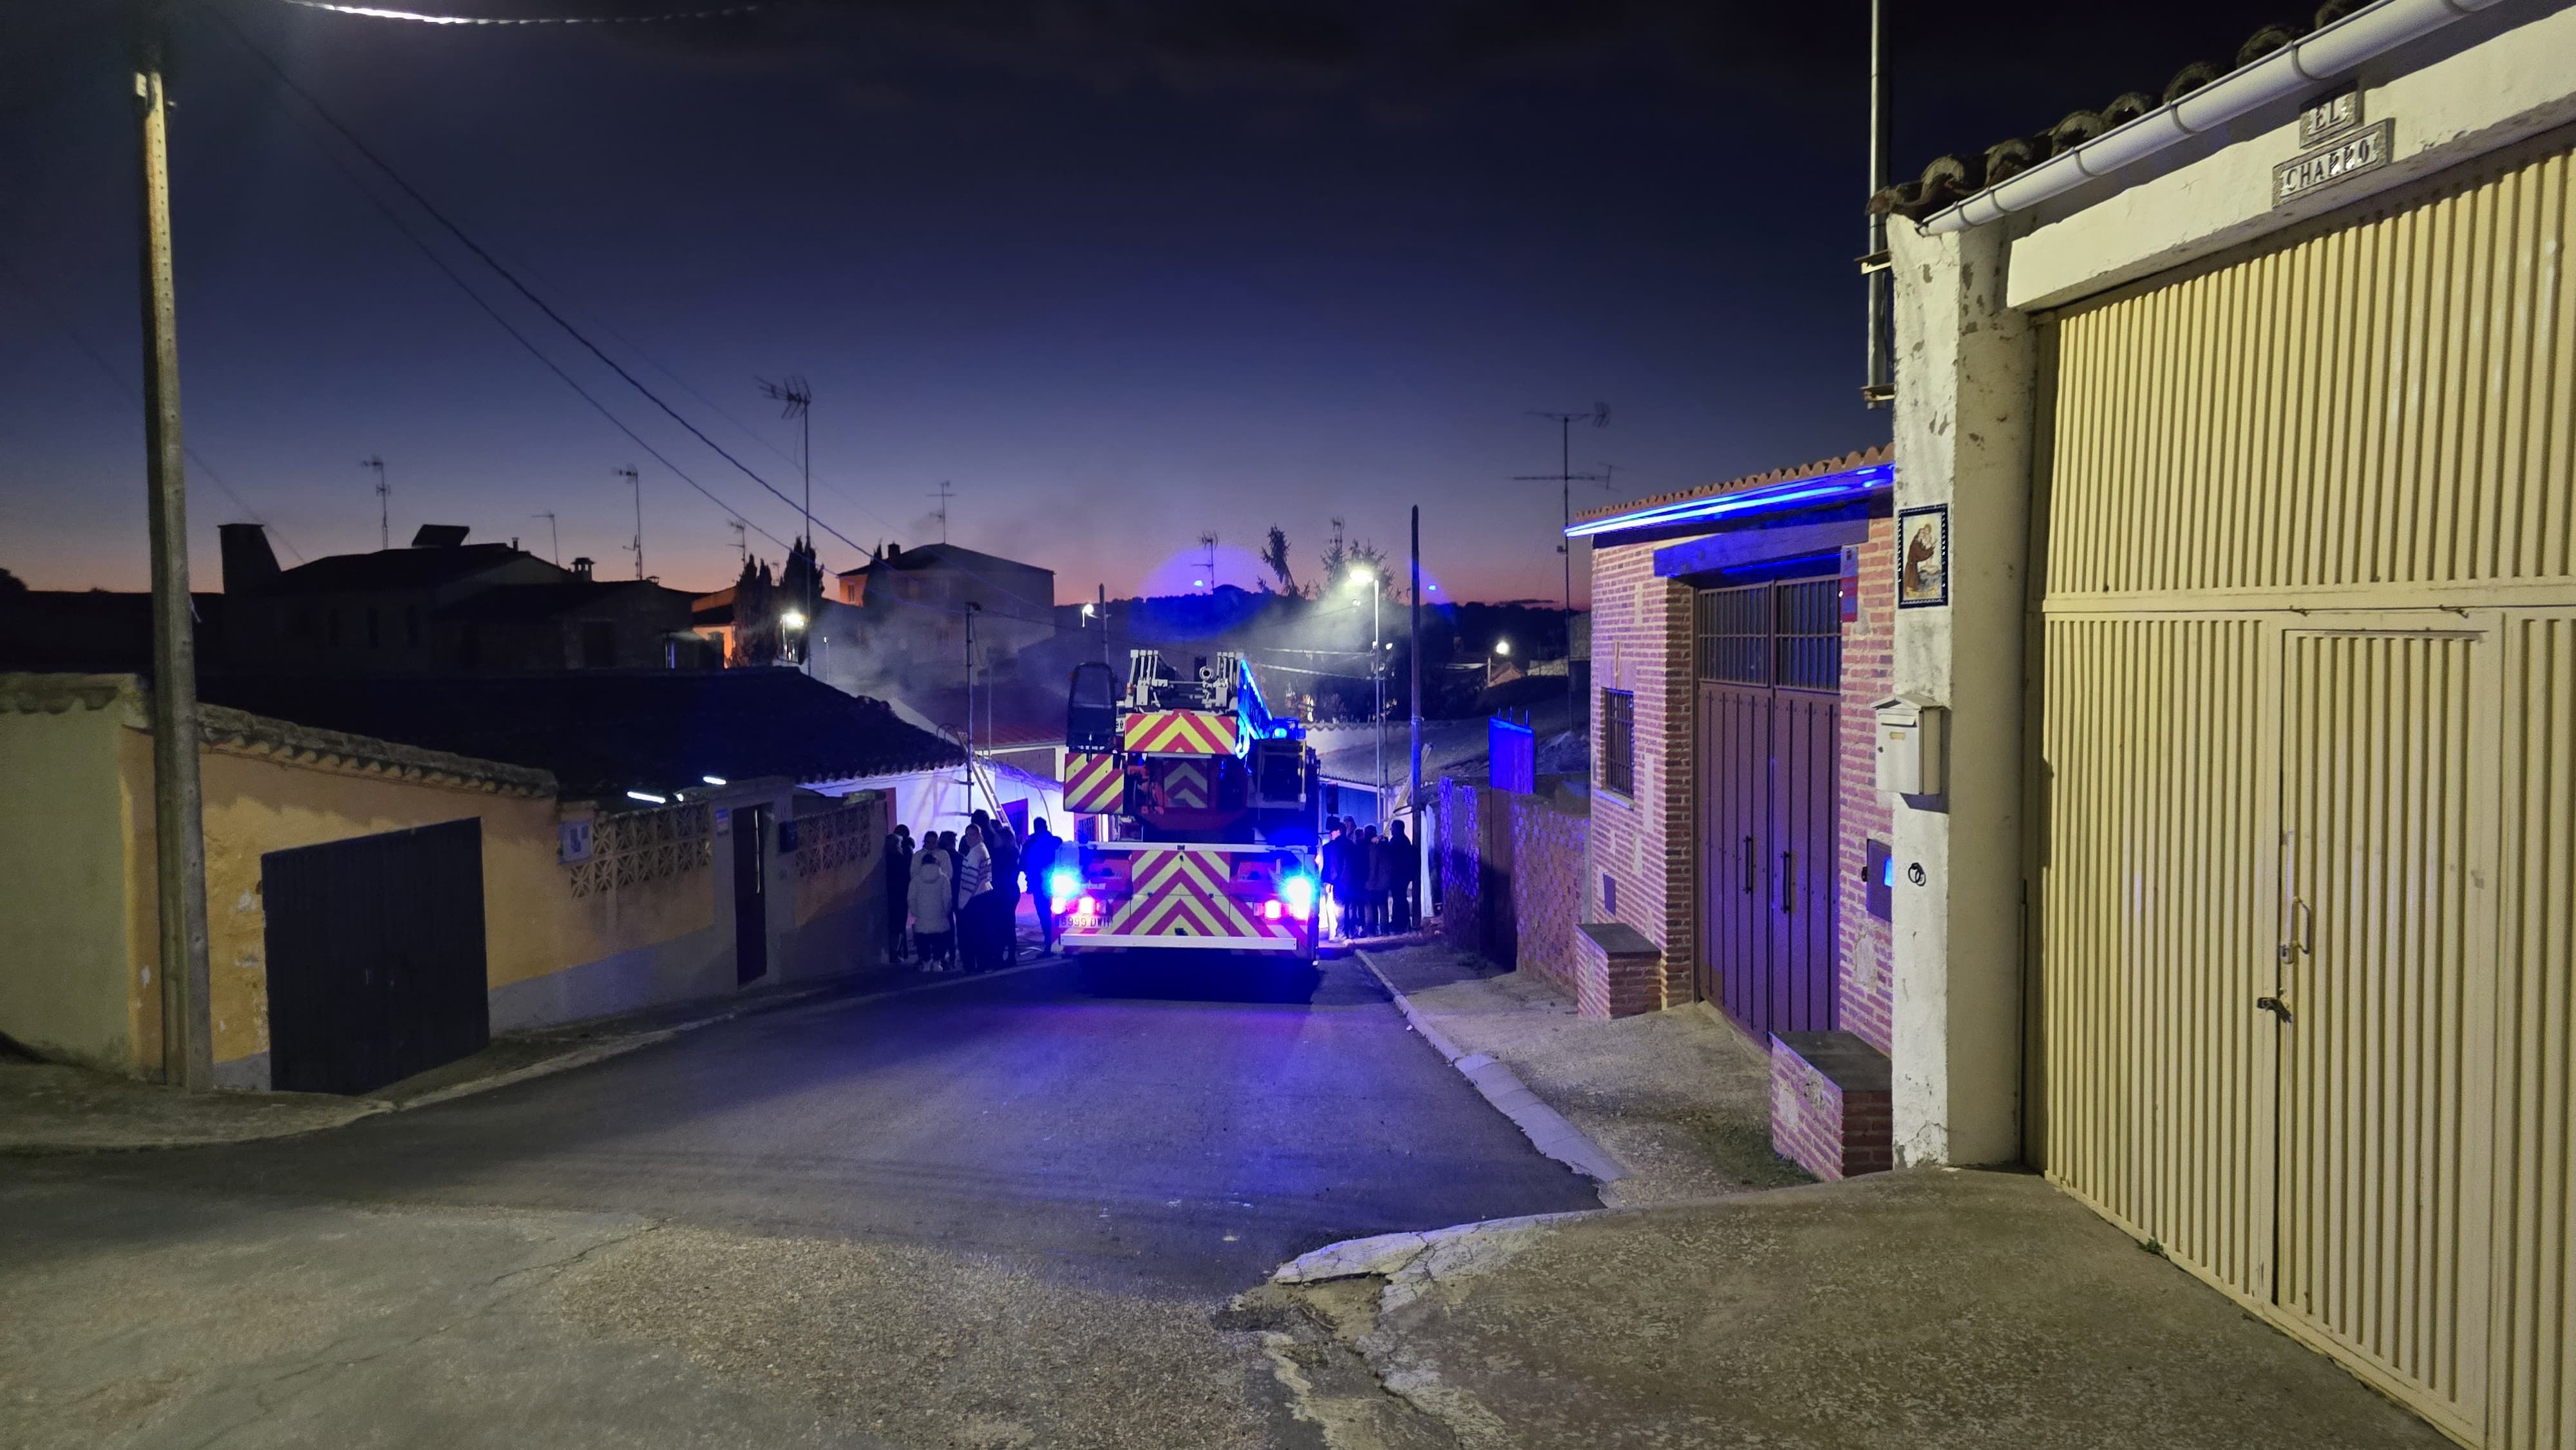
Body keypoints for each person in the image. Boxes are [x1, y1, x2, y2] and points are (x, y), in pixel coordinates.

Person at [1020, 817, 1063, 954]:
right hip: (1055, 884)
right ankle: (1055, 941)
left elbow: (1023, 864)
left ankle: (1050, 943)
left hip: (1040, 884)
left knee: (1044, 914)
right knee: (1056, 914)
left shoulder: (1031, 844)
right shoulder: (1056, 842)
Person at [956, 822, 994, 970]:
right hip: (984, 894)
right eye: (967, 835)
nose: (969, 838)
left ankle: (972, 966)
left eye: (973, 835)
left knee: (971, 935)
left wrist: (962, 902)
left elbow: (969, 882)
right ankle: (983, 964)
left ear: (979, 835)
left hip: (975, 898)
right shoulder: (982, 849)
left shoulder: (975, 853)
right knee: (982, 933)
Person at [908, 847, 954, 971]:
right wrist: (945, 912)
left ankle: (926, 961)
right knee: (940, 940)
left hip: (922, 919)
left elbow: (911, 899)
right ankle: (937, 961)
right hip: (940, 918)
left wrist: (916, 912)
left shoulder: (916, 880)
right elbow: (947, 898)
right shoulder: (944, 879)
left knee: (923, 941)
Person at [987, 816, 1021, 965]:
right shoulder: (1014, 852)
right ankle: (1011, 956)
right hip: (1012, 890)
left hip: (1001, 891)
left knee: (1000, 925)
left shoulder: (999, 854)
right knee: (1009, 923)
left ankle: (999, 956)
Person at [884, 824, 914, 963]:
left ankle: (896, 952)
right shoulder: (902, 856)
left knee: (896, 924)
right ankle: (897, 953)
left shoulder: (890, 857)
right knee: (898, 924)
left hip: (895, 893)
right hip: (901, 893)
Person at [1384, 820, 1416, 932]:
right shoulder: (1403, 840)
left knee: (1399, 898)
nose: (1391, 830)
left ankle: (1401, 922)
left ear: (1398, 828)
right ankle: (1399, 921)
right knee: (1399, 898)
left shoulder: (1399, 841)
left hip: (1399, 875)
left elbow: (1391, 854)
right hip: (1401, 875)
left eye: (1392, 827)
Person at [1359, 824, 1390, 937]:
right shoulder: (1385, 846)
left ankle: (1371, 931)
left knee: (1370, 907)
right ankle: (1384, 930)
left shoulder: (1371, 848)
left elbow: (1372, 867)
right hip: (1384, 882)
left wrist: (1368, 882)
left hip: (1373, 883)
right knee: (1383, 906)